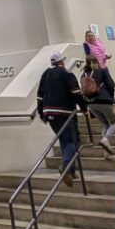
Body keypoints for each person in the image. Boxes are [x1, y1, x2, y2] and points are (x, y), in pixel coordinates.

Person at [36, 50, 87, 187]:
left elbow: (39, 96)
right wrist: (84, 108)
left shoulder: (45, 75)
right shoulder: (66, 74)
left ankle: (71, 171)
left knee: (63, 139)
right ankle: (65, 166)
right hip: (65, 112)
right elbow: (76, 92)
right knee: (73, 140)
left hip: (49, 113)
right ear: (61, 62)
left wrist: (42, 114)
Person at [82, 56, 115, 159]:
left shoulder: (84, 74)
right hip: (103, 101)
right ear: (97, 61)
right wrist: (111, 97)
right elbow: (111, 84)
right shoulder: (102, 70)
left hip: (90, 103)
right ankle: (106, 139)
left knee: (105, 124)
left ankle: (107, 153)